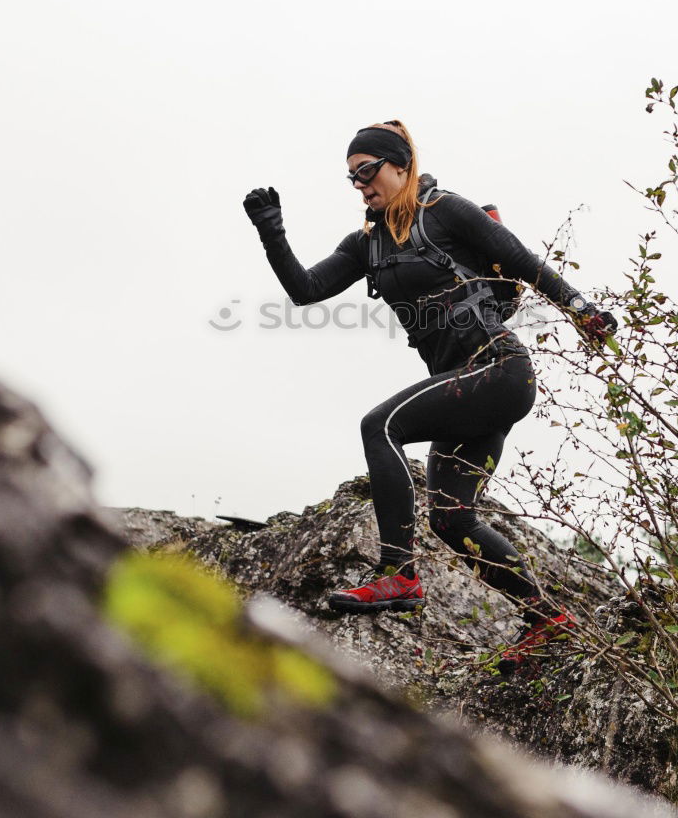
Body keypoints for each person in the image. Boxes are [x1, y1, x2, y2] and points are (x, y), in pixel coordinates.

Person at [242, 120, 616, 671]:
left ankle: (398, 572)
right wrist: (272, 232)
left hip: (498, 368)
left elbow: (523, 263)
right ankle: (546, 618)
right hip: (467, 386)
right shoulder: (366, 245)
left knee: (380, 426)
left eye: (367, 172)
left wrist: (582, 309)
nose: (361, 185)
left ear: (401, 166)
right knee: (451, 517)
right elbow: (306, 291)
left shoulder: (446, 211)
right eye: (351, 178)